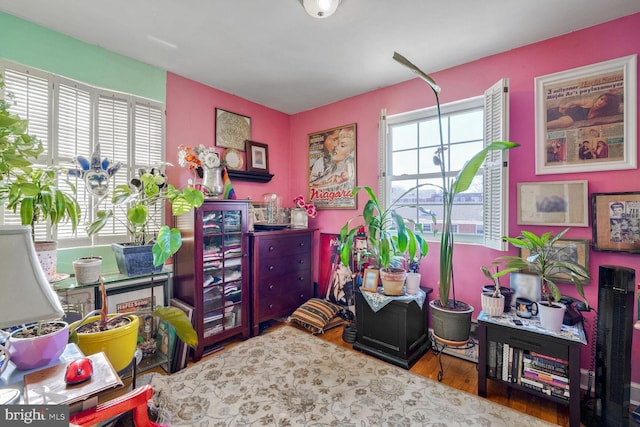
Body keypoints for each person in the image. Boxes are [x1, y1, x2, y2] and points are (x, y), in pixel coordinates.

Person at [546, 92, 622, 129]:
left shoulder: (600, 115)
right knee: (569, 121)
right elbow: (572, 102)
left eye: (605, 102)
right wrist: (565, 106)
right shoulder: (590, 102)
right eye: (601, 99)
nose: (601, 102)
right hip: (560, 112)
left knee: (569, 121)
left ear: (608, 106)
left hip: (566, 119)